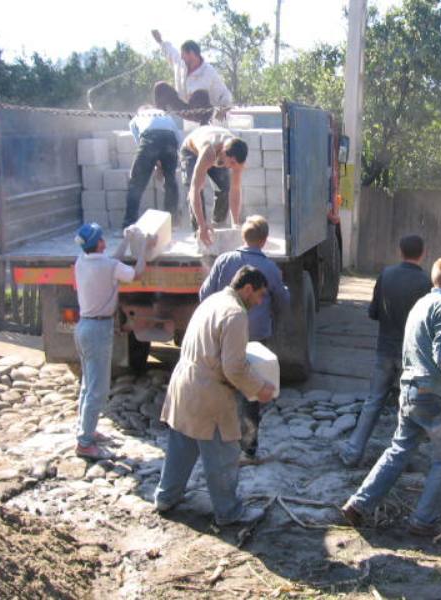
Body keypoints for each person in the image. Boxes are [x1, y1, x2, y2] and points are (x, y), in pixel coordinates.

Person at [341, 257, 441, 536]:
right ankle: (424, 520)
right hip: (431, 394)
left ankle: (358, 504)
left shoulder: (420, 304)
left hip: (410, 390)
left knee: (399, 450)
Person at [155, 266, 277, 526]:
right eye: (259, 295)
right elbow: (234, 367)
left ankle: (165, 498)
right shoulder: (235, 314)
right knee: (224, 455)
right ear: (247, 289)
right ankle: (229, 512)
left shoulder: (212, 300)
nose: (260, 302)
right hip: (209, 393)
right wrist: (259, 388)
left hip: (183, 384)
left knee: (181, 447)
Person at [199, 215, 290, 457]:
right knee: (251, 392)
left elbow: (204, 294)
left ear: (243, 236)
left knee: (223, 384)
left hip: (221, 335)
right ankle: (248, 449)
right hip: (255, 338)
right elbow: (282, 301)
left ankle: (218, 442)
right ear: (265, 240)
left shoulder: (224, 260)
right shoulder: (270, 268)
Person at [337, 234, 431, 467]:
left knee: (374, 401)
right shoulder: (426, 282)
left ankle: (352, 452)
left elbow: (373, 312)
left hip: (385, 349)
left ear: (400, 251)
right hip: (411, 355)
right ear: (423, 253)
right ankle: (402, 458)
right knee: (407, 406)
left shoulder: (386, 275)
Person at [73, 223, 153, 459]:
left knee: (88, 384)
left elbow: (112, 262)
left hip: (84, 327)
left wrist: (126, 241)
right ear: (99, 243)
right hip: (98, 330)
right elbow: (137, 273)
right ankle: (85, 443)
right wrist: (144, 249)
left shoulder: (82, 261)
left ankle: (85, 429)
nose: (104, 241)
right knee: (98, 390)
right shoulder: (108, 266)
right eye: (102, 238)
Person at [180, 126, 248, 245]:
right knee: (197, 189)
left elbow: (235, 189)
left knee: (224, 188)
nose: (232, 167)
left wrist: (235, 223)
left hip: (217, 151)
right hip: (191, 150)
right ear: (224, 153)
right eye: (231, 163)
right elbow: (194, 191)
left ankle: (217, 225)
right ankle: (199, 233)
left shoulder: (236, 155)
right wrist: (202, 225)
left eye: (235, 164)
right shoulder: (209, 153)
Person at [151, 30, 232, 122]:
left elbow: (225, 94)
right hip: (182, 109)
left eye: (183, 55)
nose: (181, 57)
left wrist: (223, 109)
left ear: (192, 54)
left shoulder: (209, 72)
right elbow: (171, 52)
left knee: (200, 95)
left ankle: (204, 125)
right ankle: (160, 122)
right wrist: (160, 41)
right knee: (160, 87)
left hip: (201, 114)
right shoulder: (180, 64)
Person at [123, 105, 183, 227]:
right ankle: (172, 221)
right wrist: (169, 162)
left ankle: (129, 223)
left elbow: (140, 141)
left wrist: (153, 162)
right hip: (170, 141)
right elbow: (178, 138)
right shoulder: (166, 116)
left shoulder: (137, 117)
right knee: (170, 181)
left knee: (136, 183)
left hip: (149, 139)